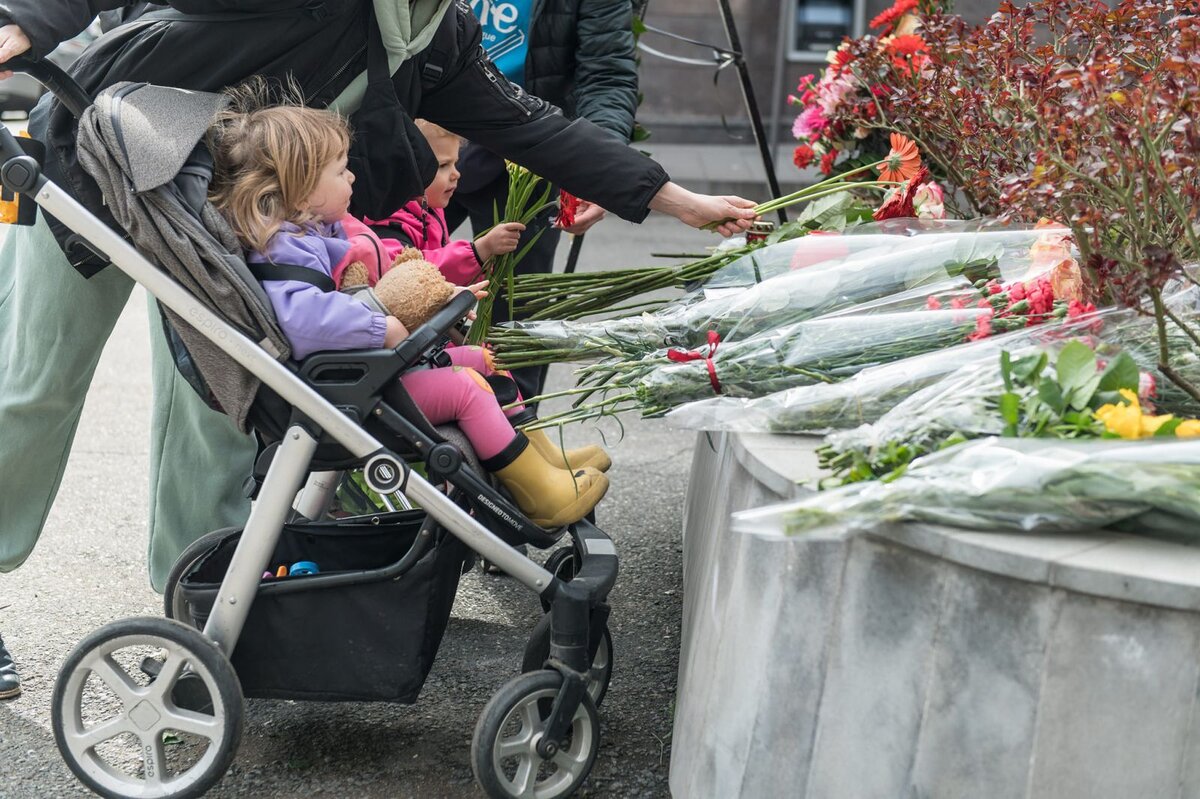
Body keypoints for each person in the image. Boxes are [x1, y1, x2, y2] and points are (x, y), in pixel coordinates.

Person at [0, 1, 756, 694]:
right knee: (33, 394)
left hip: (215, 241)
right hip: (94, 171)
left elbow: (541, 131)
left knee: (216, 423)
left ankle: (204, 629)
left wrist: (677, 201)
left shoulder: (438, 39)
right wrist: (35, 16)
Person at [209, 95, 609, 528]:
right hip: (351, 390)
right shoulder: (284, 249)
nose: (353, 177)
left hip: (365, 376)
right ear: (302, 188)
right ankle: (538, 493)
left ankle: (540, 459)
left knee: (484, 359)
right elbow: (306, 322)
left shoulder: (311, 234)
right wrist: (380, 326)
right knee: (465, 386)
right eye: (341, 171)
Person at [445, 0, 640, 400]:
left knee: (516, 322)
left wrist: (597, 170)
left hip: (526, 152)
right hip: (423, 141)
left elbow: (605, 75)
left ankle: (516, 440)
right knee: (387, 277)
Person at [365, 119, 526, 287]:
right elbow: (406, 275)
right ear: (404, 169)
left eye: (455, 163)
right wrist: (479, 251)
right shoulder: (389, 223)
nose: (456, 174)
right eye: (443, 165)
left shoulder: (429, 208)